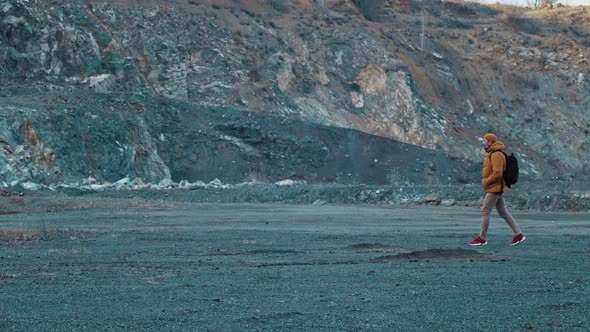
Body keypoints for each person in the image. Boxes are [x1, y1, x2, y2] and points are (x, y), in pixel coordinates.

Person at [469, 133, 525, 246]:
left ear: (490, 142)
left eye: (485, 140)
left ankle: (482, 238)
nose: (483, 142)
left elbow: (497, 173)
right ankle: (518, 235)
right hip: (495, 187)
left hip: (494, 188)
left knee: (485, 210)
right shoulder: (491, 153)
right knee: (503, 212)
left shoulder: (496, 155)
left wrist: (486, 182)